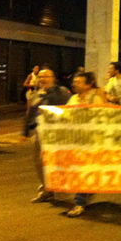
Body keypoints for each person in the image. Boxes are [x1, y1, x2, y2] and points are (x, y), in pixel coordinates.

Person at [65, 72, 107, 217]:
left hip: (91, 142)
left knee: (82, 171)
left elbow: (103, 117)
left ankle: (79, 203)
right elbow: (65, 115)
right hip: (75, 141)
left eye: (78, 82)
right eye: (74, 81)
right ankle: (87, 191)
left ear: (88, 85)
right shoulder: (73, 98)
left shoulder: (95, 99)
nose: (74, 84)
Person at [29, 68, 72, 203]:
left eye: (46, 77)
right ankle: (46, 190)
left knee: (56, 162)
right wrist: (26, 130)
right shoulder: (36, 94)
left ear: (53, 78)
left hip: (56, 131)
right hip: (40, 131)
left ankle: (62, 191)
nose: (43, 79)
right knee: (39, 162)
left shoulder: (61, 92)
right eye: (40, 77)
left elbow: (68, 111)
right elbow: (31, 111)